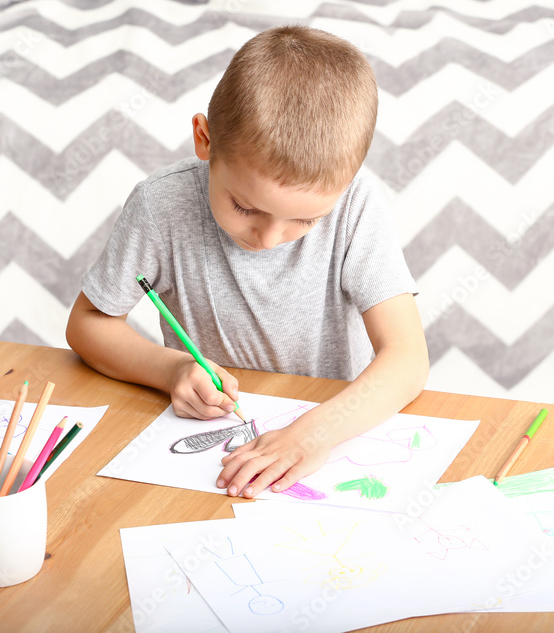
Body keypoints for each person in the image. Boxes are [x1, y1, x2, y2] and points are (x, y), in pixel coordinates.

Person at [65, 25, 429, 499]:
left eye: (304, 220)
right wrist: (170, 370)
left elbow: (407, 360)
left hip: (324, 447)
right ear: (205, 139)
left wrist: (312, 435)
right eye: (245, 207)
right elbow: (88, 324)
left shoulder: (354, 208)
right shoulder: (161, 207)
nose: (268, 237)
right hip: (205, 464)